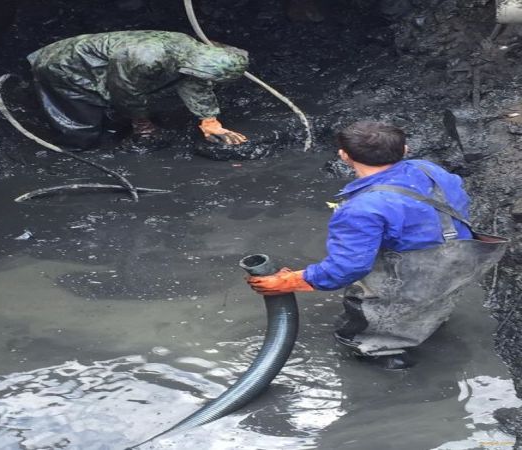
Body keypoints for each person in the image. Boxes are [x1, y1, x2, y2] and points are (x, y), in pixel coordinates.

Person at [247, 121, 508, 370]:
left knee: (365, 334)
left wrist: (294, 280)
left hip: (412, 272)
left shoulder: (362, 208)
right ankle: (430, 327)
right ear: (405, 150)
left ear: (344, 156)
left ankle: (390, 366)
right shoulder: (428, 169)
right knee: (434, 301)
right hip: (462, 258)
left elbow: (347, 267)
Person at [27, 31, 249, 148]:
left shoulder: (192, 53)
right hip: (66, 65)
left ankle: (111, 125)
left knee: (115, 108)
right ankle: (74, 150)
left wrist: (209, 120)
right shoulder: (146, 58)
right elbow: (125, 91)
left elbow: (193, 82)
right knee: (82, 119)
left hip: (106, 62)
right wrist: (142, 125)